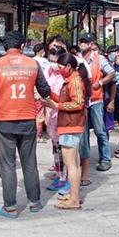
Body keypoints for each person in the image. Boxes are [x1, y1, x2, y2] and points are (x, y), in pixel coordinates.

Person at [0, 30, 51, 218]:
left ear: (4, 46)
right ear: (22, 46)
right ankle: (35, 202)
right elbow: (45, 90)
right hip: (28, 119)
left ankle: (10, 207)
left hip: (5, 120)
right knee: (29, 162)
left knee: (7, 165)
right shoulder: (33, 64)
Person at [47, 53, 88, 210]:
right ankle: (73, 195)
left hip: (71, 125)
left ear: (69, 66)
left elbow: (78, 103)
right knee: (73, 164)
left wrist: (56, 106)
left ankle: (74, 199)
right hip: (68, 124)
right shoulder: (71, 80)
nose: (59, 69)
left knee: (71, 164)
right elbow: (66, 100)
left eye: (61, 66)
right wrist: (52, 97)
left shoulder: (75, 80)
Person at [77, 34, 115, 180]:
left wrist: (100, 82)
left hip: (96, 100)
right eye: (81, 42)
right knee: (83, 133)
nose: (82, 44)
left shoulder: (100, 58)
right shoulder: (78, 59)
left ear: (92, 44)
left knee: (100, 131)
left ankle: (105, 159)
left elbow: (112, 73)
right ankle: (84, 159)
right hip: (81, 101)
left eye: (85, 42)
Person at [44, 47, 69, 192]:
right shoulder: (49, 72)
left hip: (63, 115)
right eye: (50, 60)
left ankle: (65, 178)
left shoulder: (67, 76)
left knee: (65, 149)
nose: (52, 64)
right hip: (51, 115)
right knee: (55, 148)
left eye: (55, 61)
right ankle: (60, 175)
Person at [32, 42, 49, 141]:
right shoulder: (44, 61)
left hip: (31, 91)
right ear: (41, 51)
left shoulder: (31, 61)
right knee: (40, 114)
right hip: (40, 91)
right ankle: (38, 136)